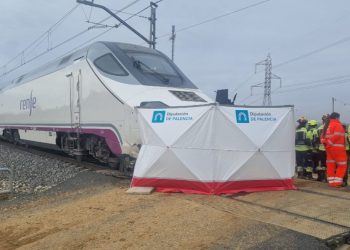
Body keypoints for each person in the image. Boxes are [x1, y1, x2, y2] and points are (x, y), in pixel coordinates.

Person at [321, 112, 348, 187]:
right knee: (342, 165)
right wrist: (329, 143)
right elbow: (337, 136)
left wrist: (326, 144)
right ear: (336, 117)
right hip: (338, 148)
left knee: (330, 164)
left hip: (328, 149)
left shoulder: (326, 125)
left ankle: (331, 182)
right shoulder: (338, 125)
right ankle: (337, 182)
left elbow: (322, 137)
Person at [315, 114, 329, 182]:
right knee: (329, 164)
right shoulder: (331, 127)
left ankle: (322, 178)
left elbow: (317, 140)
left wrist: (317, 148)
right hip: (329, 149)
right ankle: (328, 178)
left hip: (321, 149)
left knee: (322, 164)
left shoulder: (319, 128)